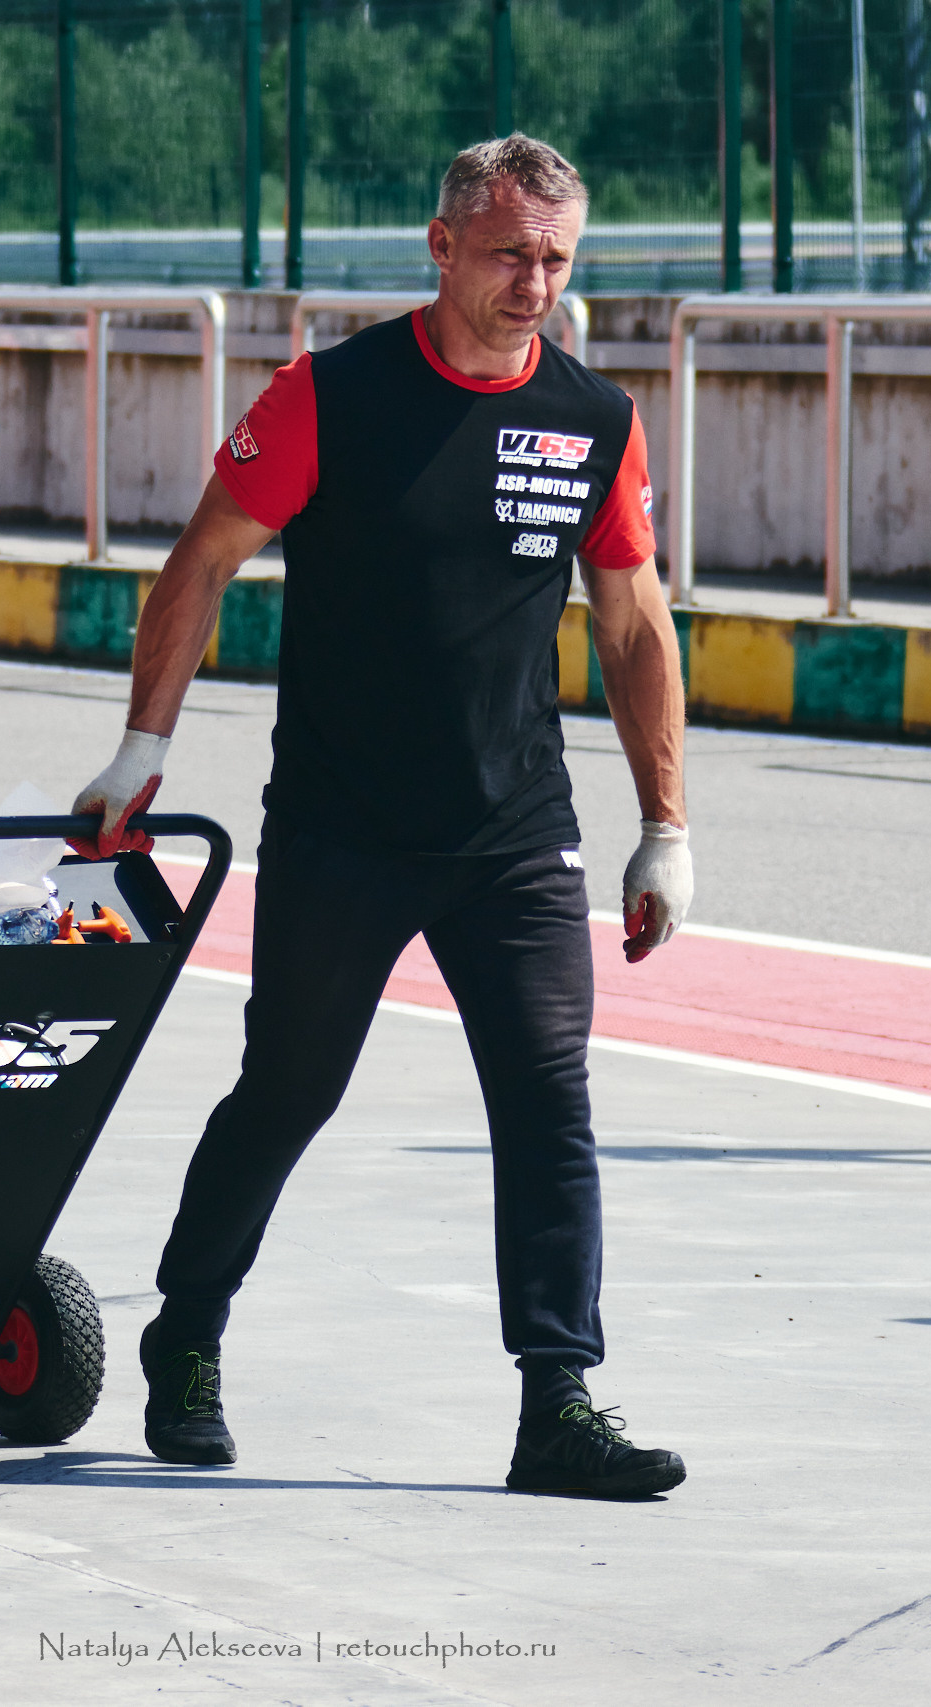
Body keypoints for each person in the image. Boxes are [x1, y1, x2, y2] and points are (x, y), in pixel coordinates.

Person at [73, 134, 692, 1499]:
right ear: (442, 245)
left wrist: (667, 823)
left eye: (556, 258)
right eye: (509, 254)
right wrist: (141, 747)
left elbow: (635, 618)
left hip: (513, 829)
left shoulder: (595, 419)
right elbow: (201, 564)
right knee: (290, 1088)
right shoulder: (329, 396)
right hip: (343, 826)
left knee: (548, 1095)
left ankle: (558, 1399)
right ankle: (187, 1331)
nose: (534, 283)